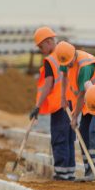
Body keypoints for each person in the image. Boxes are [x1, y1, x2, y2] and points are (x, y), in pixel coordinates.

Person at [54, 41, 95, 180]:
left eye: (69, 62)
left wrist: (74, 117)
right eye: (65, 64)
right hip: (89, 100)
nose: (68, 65)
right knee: (83, 133)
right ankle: (89, 171)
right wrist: (63, 97)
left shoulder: (85, 66)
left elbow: (81, 95)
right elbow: (64, 77)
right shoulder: (65, 59)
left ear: (74, 53)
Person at [29, 26, 76, 180]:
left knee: (59, 137)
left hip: (59, 104)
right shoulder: (66, 54)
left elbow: (48, 85)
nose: (41, 50)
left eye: (41, 46)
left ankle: (62, 172)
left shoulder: (50, 60)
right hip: (71, 102)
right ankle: (69, 171)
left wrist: (37, 106)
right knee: (69, 137)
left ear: (49, 42)